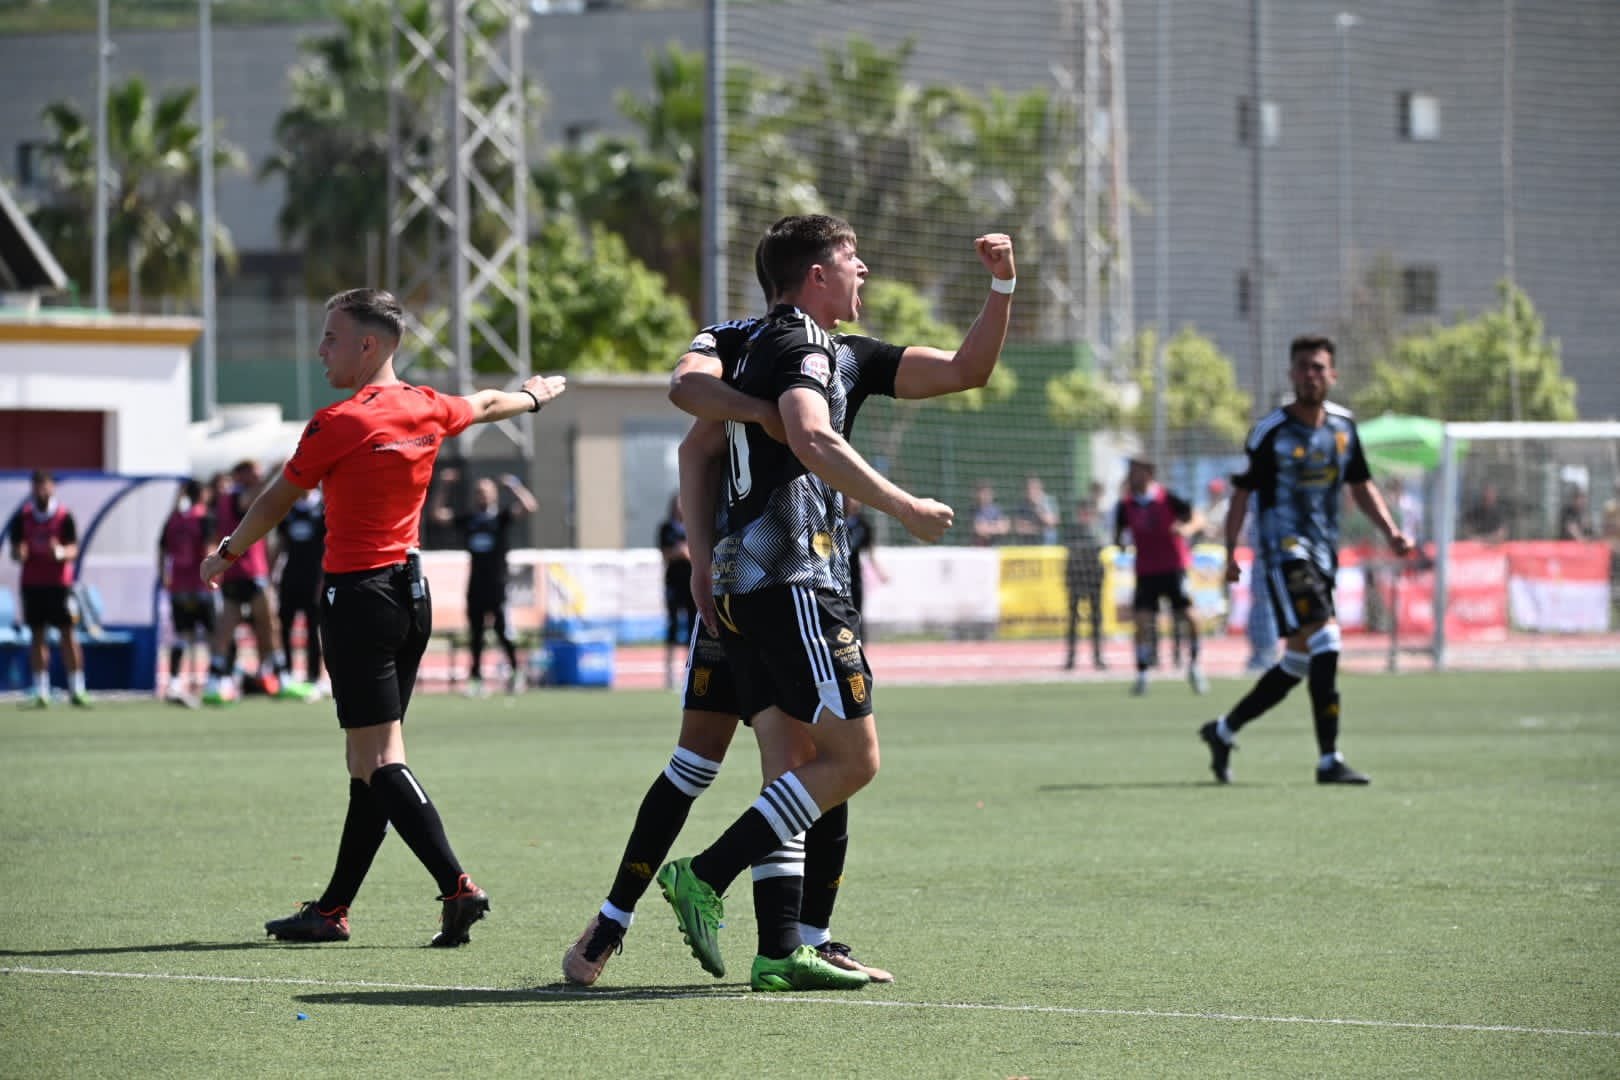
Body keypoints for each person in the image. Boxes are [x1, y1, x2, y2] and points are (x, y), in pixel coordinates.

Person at [563, 222, 1013, 991]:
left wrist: (1003, 287)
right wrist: (775, 432)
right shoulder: (766, 340)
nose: (865, 268)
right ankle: (662, 904)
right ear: (811, 272)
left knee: (792, 761)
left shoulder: (839, 352)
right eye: (851, 258)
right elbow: (693, 402)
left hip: (757, 585)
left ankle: (791, 942)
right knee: (772, 761)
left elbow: (968, 369)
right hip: (780, 579)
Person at [198, 287, 566, 946]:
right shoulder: (426, 406)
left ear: (369, 345)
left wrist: (227, 551)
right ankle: (333, 909)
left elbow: (277, 500)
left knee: (376, 758)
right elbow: (483, 404)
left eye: (331, 338)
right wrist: (533, 396)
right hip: (412, 595)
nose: (321, 351)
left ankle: (458, 886)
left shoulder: (338, 422)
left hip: (358, 597)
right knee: (369, 758)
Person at [1198, 335, 1412, 786]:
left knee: (1296, 662)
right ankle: (1328, 759)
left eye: (1319, 367)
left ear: (1332, 374)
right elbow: (1242, 493)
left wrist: (1391, 530)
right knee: (1327, 641)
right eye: (1304, 367)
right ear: (1292, 374)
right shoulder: (1270, 430)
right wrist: (1231, 550)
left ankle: (1223, 730)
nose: (1311, 375)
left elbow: (1360, 485)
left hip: (1323, 554)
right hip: (1283, 553)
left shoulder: (1343, 428)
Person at [428, 469, 537, 696]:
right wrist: (444, 487)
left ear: (494, 495)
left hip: (497, 586)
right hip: (475, 586)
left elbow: (529, 506)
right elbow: (437, 514)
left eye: (486, 492)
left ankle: (516, 673)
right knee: (475, 635)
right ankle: (476, 680)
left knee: (501, 631)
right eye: (479, 492)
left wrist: (514, 486)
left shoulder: (501, 518)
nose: (482, 496)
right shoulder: (470, 521)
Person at [203, 460, 301, 704]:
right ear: (241, 475)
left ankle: (215, 682)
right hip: (248, 572)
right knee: (269, 627)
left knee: (228, 631)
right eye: (253, 473)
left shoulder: (224, 499)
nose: (257, 477)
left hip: (236, 572)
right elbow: (258, 498)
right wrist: (277, 473)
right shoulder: (237, 496)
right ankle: (282, 678)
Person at [1114, 458, 1206, 695]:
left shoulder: (1169, 498)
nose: (1133, 476)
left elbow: (1198, 518)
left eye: (1137, 471)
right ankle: (1143, 672)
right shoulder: (1125, 505)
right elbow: (1118, 535)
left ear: (1149, 473)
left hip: (1174, 567)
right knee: (1142, 621)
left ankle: (1195, 665)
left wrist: (1186, 529)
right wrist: (1120, 545)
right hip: (1146, 571)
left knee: (1190, 615)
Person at [8, 470, 90, 708]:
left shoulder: (64, 517)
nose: (41, 491)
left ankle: (77, 689)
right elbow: (16, 550)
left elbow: (74, 549)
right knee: (37, 636)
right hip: (33, 585)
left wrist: (61, 552)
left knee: (68, 635)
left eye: (45, 486)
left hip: (59, 585)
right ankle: (41, 691)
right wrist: (19, 553)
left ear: (52, 487)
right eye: (37, 487)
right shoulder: (23, 517)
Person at [159, 479, 216, 705]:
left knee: (182, 635)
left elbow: (162, 550)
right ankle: (213, 679)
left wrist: (165, 575)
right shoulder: (204, 517)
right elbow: (211, 548)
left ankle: (175, 681)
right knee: (212, 633)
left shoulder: (173, 519)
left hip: (179, 585)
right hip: (200, 584)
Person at [275, 486, 327, 694]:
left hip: (315, 578)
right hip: (290, 577)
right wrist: (271, 574)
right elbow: (280, 545)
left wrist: (324, 580)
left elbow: (329, 546)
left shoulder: (323, 508)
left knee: (313, 629)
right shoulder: (289, 509)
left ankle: (313, 677)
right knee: (284, 626)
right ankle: (287, 675)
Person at [1062, 497, 1108, 671]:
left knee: (1096, 619)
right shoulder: (1072, 530)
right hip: (1076, 577)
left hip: (1094, 578)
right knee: (1073, 619)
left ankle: (1098, 657)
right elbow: (1068, 547)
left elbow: (1103, 545)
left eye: (1088, 512)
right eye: (1083, 512)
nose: (1085, 515)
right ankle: (1071, 658)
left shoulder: (1098, 529)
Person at [657, 493, 697, 688]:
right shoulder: (667, 528)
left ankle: (688, 672)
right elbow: (664, 554)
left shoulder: (695, 525)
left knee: (693, 627)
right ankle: (669, 674)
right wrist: (678, 553)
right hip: (673, 583)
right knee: (672, 626)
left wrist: (687, 554)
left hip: (692, 584)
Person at [843, 496, 886, 620]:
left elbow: (870, 551)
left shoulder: (863, 525)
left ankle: (859, 638)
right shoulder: (836, 521)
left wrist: (880, 572)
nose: (853, 502)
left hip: (855, 574)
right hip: (838, 573)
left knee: (857, 611)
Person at [1011, 475, 1059, 544]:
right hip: (1028, 540)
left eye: (1035, 488)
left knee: (1050, 533)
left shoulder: (1048, 501)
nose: (1032, 491)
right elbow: (1018, 528)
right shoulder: (1022, 505)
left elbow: (1051, 522)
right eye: (1030, 488)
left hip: (1045, 540)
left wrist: (1038, 507)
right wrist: (1037, 529)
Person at [971, 482, 1010, 546]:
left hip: (995, 547)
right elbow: (979, 530)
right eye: (983, 493)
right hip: (978, 549)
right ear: (978, 494)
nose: (986, 495)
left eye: (988, 493)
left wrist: (987, 527)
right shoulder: (974, 510)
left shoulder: (997, 509)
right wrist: (995, 526)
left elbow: (1004, 528)